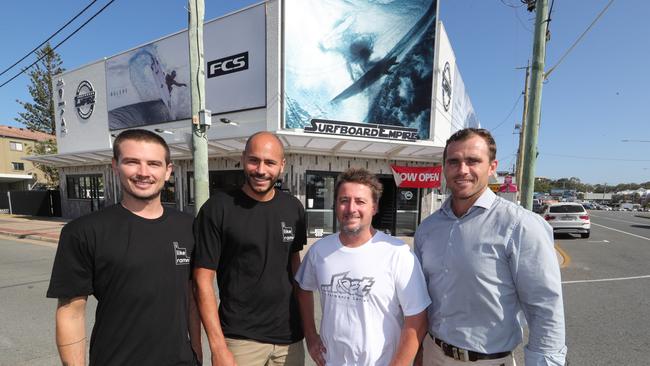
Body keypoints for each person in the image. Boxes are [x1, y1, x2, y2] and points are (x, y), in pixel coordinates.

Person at [47, 129, 201, 366]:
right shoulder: (83, 231)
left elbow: (192, 299)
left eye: (153, 163)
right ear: (115, 166)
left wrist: (197, 354)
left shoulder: (189, 227)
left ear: (168, 170)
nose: (143, 172)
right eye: (132, 162)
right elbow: (71, 312)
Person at [414, 128, 567, 366]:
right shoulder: (428, 228)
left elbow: (544, 306)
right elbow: (422, 298)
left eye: (473, 161)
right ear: (444, 167)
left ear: (492, 167)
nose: (462, 170)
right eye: (453, 161)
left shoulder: (521, 226)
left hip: (489, 361)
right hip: (433, 354)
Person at [295, 168, 431, 366]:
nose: (351, 209)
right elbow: (303, 289)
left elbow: (417, 320)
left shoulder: (397, 253)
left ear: (374, 207)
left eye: (360, 201)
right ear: (335, 205)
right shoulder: (320, 251)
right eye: (344, 200)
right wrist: (310, 335)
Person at [193, 131, 306, 366]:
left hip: (290, 340)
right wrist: (218, 347)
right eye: (254, 160)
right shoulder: (218, 209)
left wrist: (309, 331)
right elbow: (202, 280)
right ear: (243, 159)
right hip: (239, 340)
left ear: (282, 165)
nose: (261, 170)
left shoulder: (293, 208)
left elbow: (296, 268)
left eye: (270, 162)